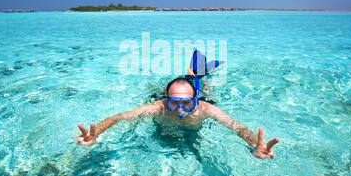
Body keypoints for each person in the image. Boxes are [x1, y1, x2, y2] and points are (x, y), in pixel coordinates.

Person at [77, 56, 280, 159]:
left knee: (207, 88)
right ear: (166, 100)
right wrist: (97, 133)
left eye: (187, 103)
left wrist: (255, 145)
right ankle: (192, 78)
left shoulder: (206, 109)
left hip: (200, 95)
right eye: (174, 102)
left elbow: (237, 127)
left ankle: (198, 77)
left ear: (196, 102)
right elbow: (120, 117)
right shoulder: (159, 107)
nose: (180, 108)